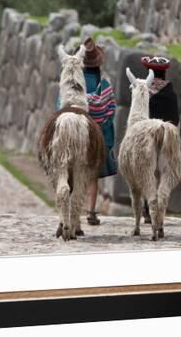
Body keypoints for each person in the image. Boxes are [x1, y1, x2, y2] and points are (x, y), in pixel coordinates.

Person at [57, 38, 117, 225]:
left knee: (67, 169)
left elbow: (60, 106)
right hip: (95, 132)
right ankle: (91, 212)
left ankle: (66, 215)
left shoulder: (72, 83)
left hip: (69, 124)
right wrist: (104, 136)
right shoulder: (104, 85)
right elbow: (110, 112)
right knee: (91, 174)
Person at [140, 55, 180, 224]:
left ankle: (147, 207)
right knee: (163, 173)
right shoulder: (171, 94)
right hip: (166, 138)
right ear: (164, 74)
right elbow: (175, 118)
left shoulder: (144, 92)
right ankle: (159, 207)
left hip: (148, 137)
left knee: (146, 171)